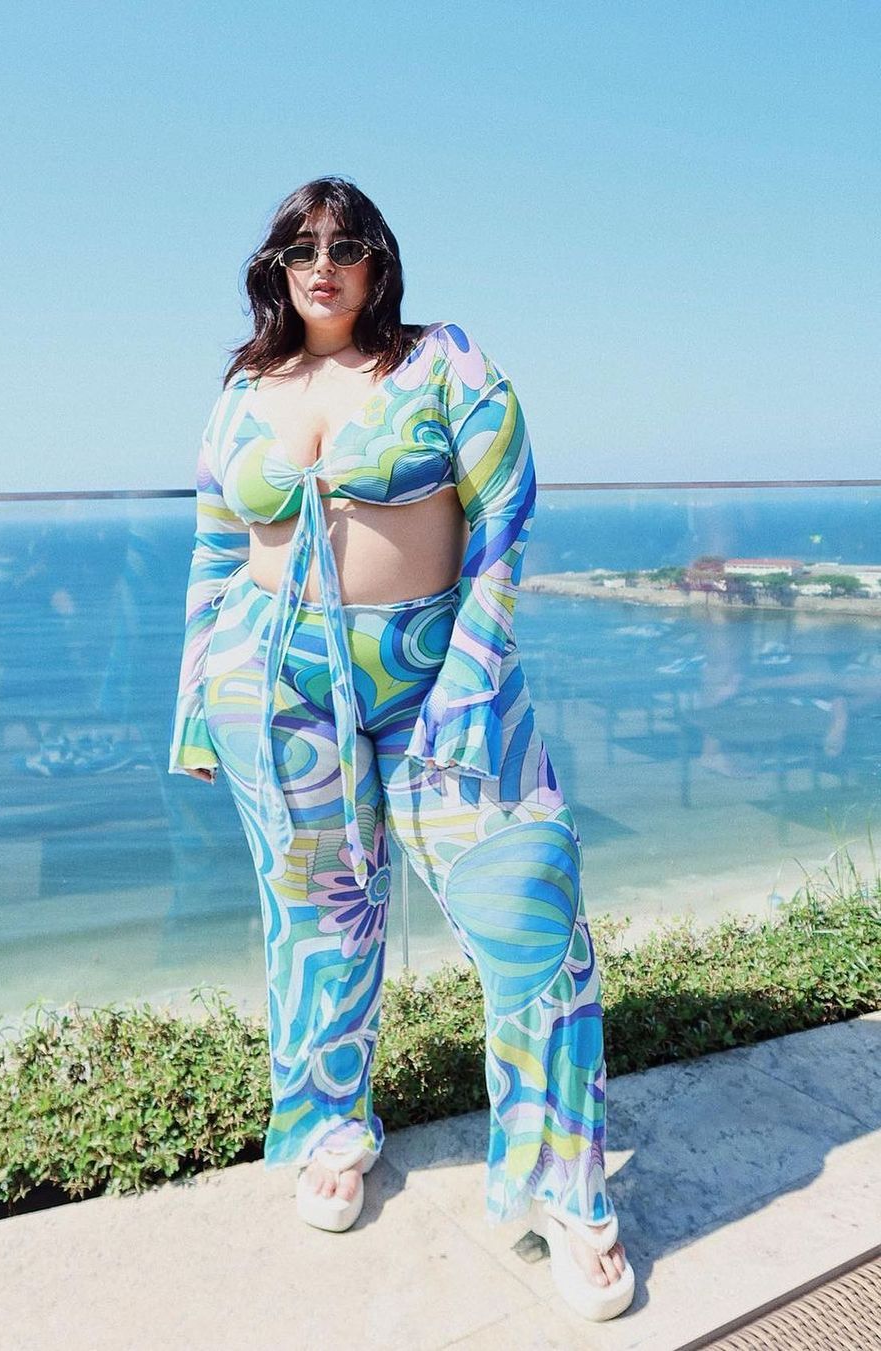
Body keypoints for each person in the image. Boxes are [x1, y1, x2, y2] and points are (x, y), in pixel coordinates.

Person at [169, 176, 634, 1322]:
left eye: (345, 245)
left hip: (440, 684)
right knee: (317, 923)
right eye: (301, 248)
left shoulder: (445, 361)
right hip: (273, 688)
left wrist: (474, 671)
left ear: (379, 260)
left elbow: (506, 517)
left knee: (533, 914)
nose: (322, 265)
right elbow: (216, 547)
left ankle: (565, 1186)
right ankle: (333, 1126)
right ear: (276, 268)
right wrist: (195, 702)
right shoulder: (244, 390)